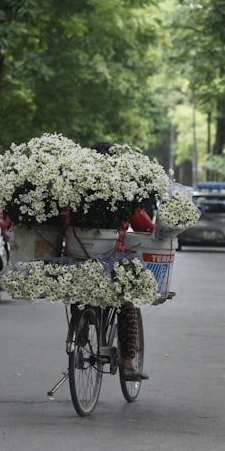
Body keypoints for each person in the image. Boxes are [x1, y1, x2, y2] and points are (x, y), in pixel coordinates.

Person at [92, 142, 152, 381]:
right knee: (128, 301)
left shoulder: (73, 190)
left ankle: (81, 332)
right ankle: (128, 361)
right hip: (112, 264)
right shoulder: (123, 192)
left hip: (76, 261)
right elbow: (145, 226)